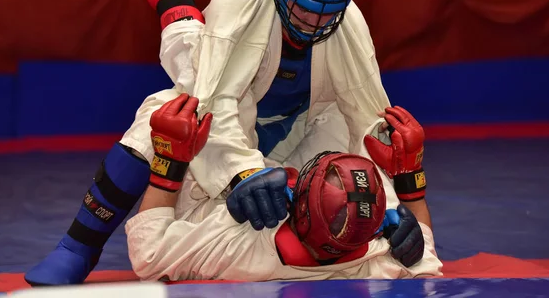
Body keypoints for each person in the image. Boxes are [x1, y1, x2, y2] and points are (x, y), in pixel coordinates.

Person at [25, 0, 428, 285]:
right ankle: (78, 245)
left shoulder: (348, 21)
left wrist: (385, 210)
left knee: (357, 132)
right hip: (227, 109)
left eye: (327, 12)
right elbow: (211, 100)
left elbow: (369, 114)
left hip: (296, 132)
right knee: (170, 113)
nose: (315, 20)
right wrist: (242, 174)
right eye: (305, 7)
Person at [125, 94, 442, 281]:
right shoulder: (378, 258)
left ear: (297, 204)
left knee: (172, 102)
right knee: (345, 111)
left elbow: (147, 255)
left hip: (208, 209)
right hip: (316, 209)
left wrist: (170, 163)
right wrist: (408, 179)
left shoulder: (239, 242)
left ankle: (83, 241)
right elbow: (424, 255)